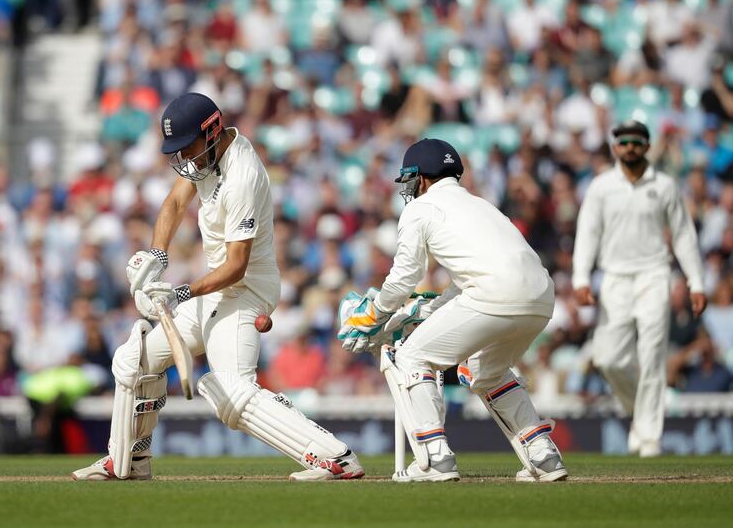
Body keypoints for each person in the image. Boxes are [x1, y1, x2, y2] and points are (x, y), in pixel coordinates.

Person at [72, 93, 364, 481]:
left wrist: (179, 293)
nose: (182, 160)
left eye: (185, 148)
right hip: (214, 291)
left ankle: (336, 458)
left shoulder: (242, 174)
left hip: (246, 291)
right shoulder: (203, 158)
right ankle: (128, 460)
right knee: (134, 359)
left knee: (231, 392)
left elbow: (237, 266)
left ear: (211, 132)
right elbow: (174, 205)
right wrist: (158, 258)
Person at [341, 138, 567, 483]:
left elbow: (404, 277)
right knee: (484, 369)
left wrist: (374, 313)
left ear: (422, 178)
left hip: (493, 295)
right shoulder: (483, 205)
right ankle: (542, 452)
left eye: (409, 180)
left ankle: (434, 458)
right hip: (541, 297)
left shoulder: (421, 208)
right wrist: (426, 308)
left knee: (411, 357)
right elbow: (473, 279)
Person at [572, 120, 706, 457]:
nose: (630, 147)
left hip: (654, 275)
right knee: (608, 359)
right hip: (614, 277)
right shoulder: (601, 186)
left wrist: (697, 282)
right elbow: (587, 233)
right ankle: (640, 414)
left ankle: (649, 437)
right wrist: (581, 279)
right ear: (615, 147)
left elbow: (683, 236)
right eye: (624, 141)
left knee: (651, 354)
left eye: (637, 142)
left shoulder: (664, 186)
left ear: (647, 147)